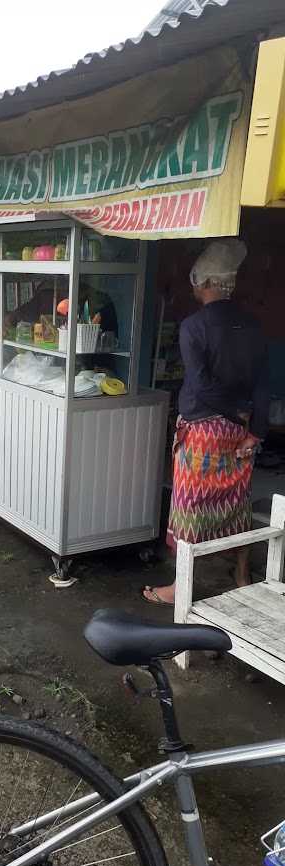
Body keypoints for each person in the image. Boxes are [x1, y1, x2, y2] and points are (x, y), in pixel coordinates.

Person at [143, 238, 269, 606]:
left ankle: (182, 586)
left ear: (207, 283)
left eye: (196, 281)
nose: (193, 287)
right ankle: (242, 574)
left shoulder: (193, 326)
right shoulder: (253, 326)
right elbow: (264, 384)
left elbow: (201, 386)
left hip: (202, 432)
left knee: (190, 509)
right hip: (240, 434)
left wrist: (233, 414)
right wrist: (254, 430)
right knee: (234, 502)